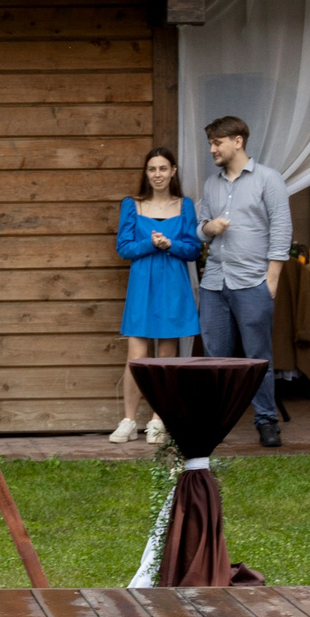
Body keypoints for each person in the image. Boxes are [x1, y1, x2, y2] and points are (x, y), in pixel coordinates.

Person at [195, 115, 290, 449]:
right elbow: (199, 228)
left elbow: (281, 230)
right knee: (215, 359)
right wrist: (209, 229)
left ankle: (266, 422)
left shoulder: (269, 179)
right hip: (215, 284)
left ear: (238, 141)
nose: (212, 149)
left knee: (257, 358)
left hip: (253, 282)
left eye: (217, 142)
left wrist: (271, 281)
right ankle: (214, 423)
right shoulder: (211, 185)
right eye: (210, 143)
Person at [113, 146, 202, 444]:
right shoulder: (132, 205)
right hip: (142, 286)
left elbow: (192, 249)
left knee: (165, 358)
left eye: (163, 168)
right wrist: (152, 245)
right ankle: (128, 420)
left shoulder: (185, 205)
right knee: (136, 358)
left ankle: (158, 420)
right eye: (152, 169)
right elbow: (124, 248)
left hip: (173, 287)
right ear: (146, 173)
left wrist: (170, 245)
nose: (157, 175)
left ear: (173, 171)